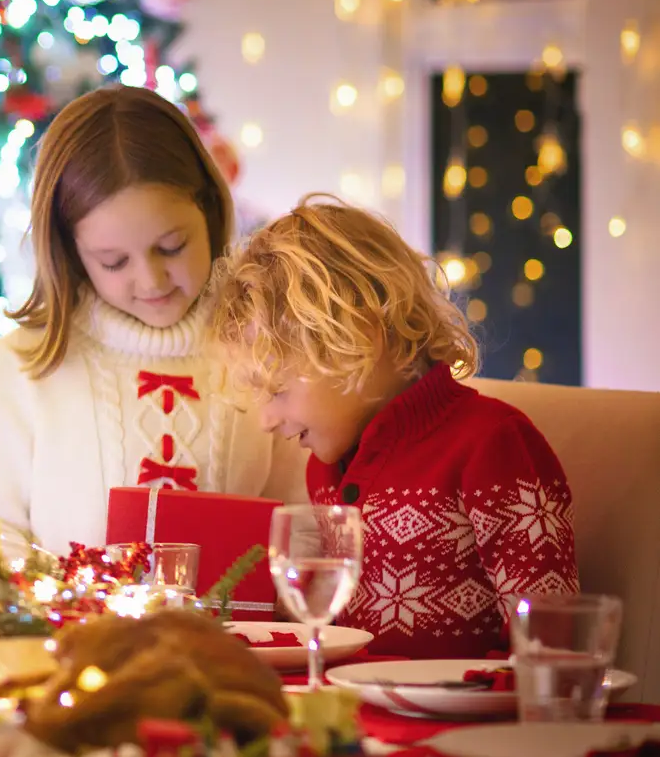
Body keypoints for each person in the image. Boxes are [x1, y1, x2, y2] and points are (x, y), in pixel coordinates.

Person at [209, 195, 579, 658]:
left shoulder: (492, 444)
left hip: (466, 723)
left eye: (278, 390)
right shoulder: (325, 469)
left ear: (357, 339)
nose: (266, 420)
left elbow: (550, 640)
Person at [0, 86, 302, 549]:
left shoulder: (267, 350)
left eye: (172, 247)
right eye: (113, 262)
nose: (151, 280)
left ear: (210, 210)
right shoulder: (24, 364)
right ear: (70, 252)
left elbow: (303, 528)